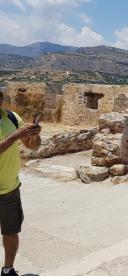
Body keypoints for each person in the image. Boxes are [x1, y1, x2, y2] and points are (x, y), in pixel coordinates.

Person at [0, 91, 41, 276]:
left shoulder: (11, 117)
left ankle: (8, 270)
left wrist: (34, 135)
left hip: (10, 189)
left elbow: (32, 146)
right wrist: (16, 135)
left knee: (11, 232)